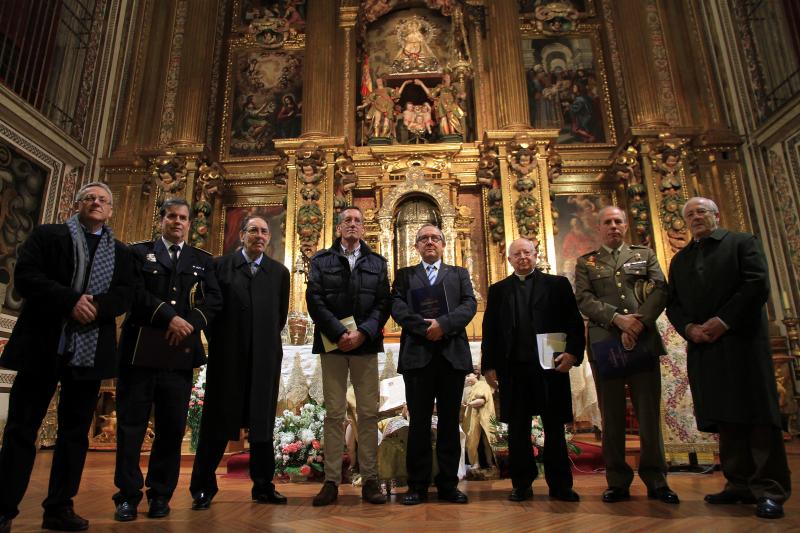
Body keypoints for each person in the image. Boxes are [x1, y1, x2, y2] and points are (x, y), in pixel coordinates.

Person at [0, 182, 133, 532]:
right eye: (90, 197)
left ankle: (59, 507)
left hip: (89, 352)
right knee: (20, 429)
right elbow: (26, 277)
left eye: (103, 199)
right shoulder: (48, 236)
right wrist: (68, 300)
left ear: (110, 210)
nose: (96, 202)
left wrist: (97, 307)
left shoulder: (120, 252)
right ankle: (4, 507)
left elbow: (125, 294)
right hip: (43, 345)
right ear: (77, 204)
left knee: (74, 434)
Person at [666, 197, 791, 519]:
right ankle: (739, 484)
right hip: (705, 345)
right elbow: (674, 304)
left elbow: (756, 285)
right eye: (690, 214)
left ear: (716, 215)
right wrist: (689, 327)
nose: (696, 218)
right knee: (725, 416)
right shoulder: (681, 261)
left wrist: (723, 321)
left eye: (701, 212)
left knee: (757, 416)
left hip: (742, 342)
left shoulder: (741, 243)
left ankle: (770, 489)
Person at [113, 198, 222, 522]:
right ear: (161, 220)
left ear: (189, 223)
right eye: (172, 216)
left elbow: (214, 299)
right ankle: (128, 496)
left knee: (172, 429)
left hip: (178, 355)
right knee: (131, 428)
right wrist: (169, 317)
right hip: (140, 353)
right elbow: (134, 291)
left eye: (183, 218)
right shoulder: (138, 253)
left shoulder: (202, 260)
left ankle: (160, 495)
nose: (177, 222)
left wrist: (190, 323)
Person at [574, 206, 678, 504]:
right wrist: (618, 320)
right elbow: (583, 298)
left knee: (648, 414)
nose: (614, 226)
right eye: (607, 222)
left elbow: (660, 289)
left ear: (626, 224)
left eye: (619, 221)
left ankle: (657, 479)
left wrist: (639, 321)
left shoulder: (643, 255)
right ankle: (617, 480)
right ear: (599, 228)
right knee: (612, 416)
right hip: (606, 344)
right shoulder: (587, 262)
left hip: (642, 341)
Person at [190, 215, 290, 509]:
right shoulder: (219, 267)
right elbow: (209, 308)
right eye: (253, 231)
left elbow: (279, 316)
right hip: (227, 357)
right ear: (242, 235)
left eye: (264, 231)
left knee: (262, 423)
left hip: (264, 357)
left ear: (269, 238)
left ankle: (263, 486)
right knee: (217, 422)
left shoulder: (279, 273)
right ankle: (203, 487)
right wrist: (226, 340)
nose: (259, 235)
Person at [481, 238, 585, 503]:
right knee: (517, 431)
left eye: (527, 252)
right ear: (509, 260)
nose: (523, 257)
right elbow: (490, 330)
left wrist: (572, 353)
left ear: (536, 255)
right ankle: (522, 485)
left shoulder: (557, 285)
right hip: (513, 369)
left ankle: (560, 485)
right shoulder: (499, 290)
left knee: (554, 428)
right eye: (517, 254)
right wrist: (489, 365)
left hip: (550, 367)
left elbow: (574, 322)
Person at [305, 206, 391, 506]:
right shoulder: (321, 260)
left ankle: (370, 479)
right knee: (334, 414)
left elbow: (383, 303)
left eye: (358, 220)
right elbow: (314, 299)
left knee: (368, 413)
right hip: (333, 343)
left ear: (363, 229)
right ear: (339, 228)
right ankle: (331, 481)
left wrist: (363, 332)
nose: (353, 225)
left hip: (365, 344)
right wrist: (340, 332)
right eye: (347, 221)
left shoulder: (378, 263)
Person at [390, 224, 477, 505]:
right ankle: (417, 485)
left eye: (435, 238)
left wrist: (444, 325)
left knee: (450, 423)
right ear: (416, 246)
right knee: (418, 424)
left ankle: (448, 484)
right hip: (418, 357)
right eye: (424, 239)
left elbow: (469, 305)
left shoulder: (459, 274)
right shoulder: (404, 276)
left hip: (451, 357)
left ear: (443, 244)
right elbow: (397, 306)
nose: (430, 242)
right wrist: (425, 328)